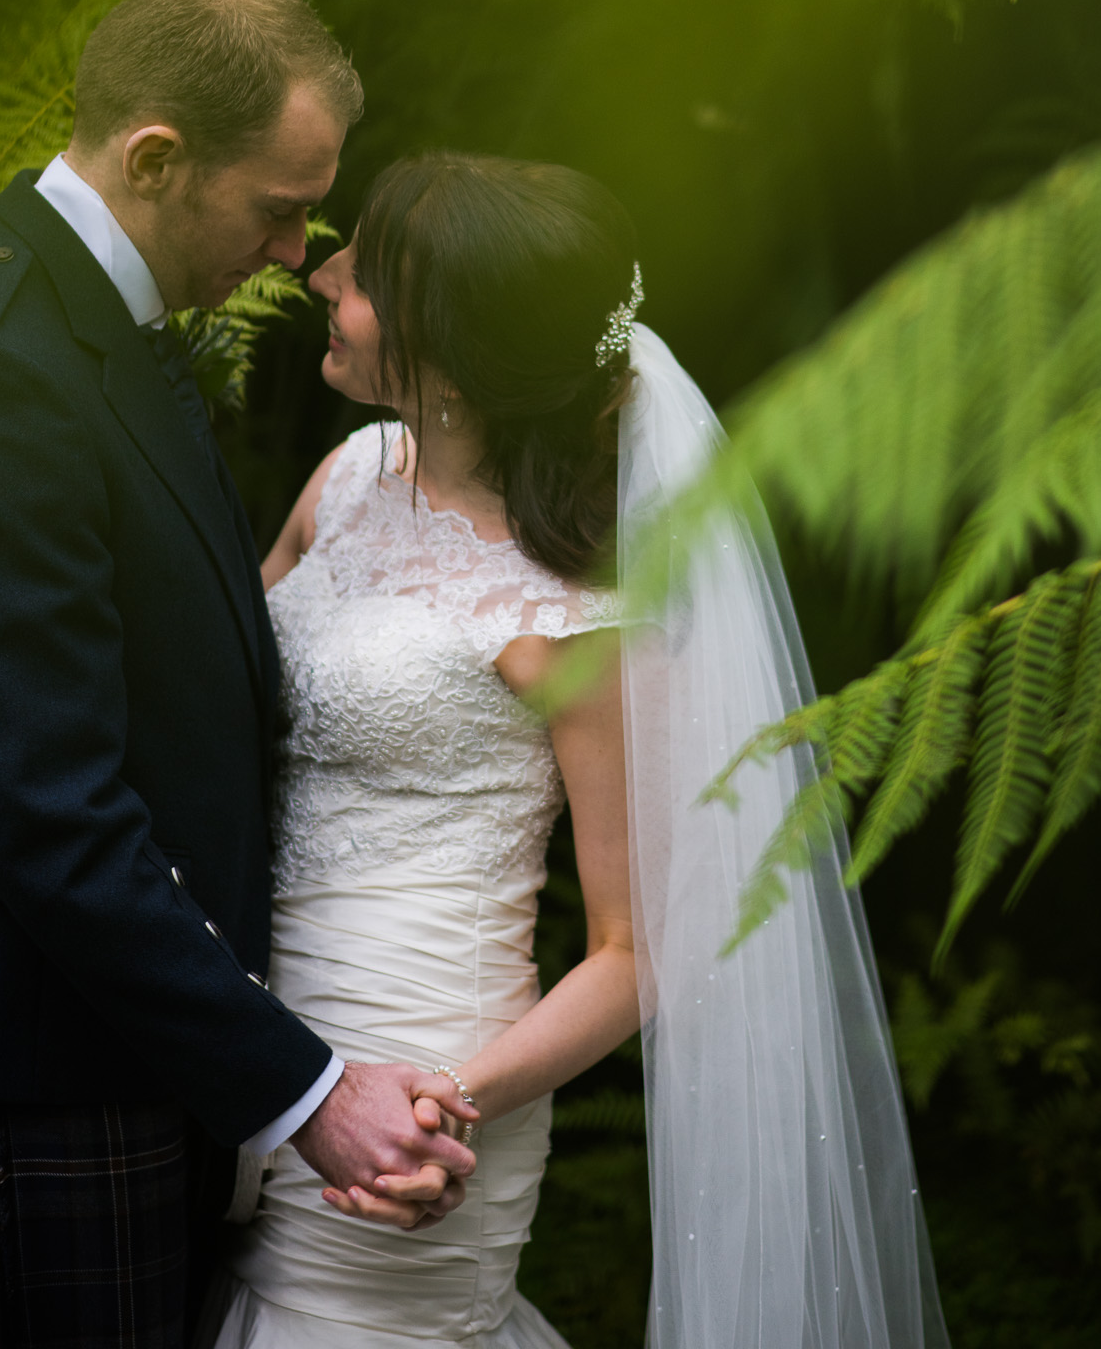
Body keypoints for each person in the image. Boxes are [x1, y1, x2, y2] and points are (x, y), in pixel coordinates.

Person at [0, 0, 477, 1349]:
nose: (298, 256)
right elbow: (50, 818)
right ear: (159, 156)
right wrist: (303, 1090)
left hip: (114, 1051)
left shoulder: (97, 322)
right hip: (15, 1081)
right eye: (281, 211)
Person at [201, 152, 949, 1349]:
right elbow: (205, 704)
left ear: (451, 350)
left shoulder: (580, 617)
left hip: (427, 1071)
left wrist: (450, 1101)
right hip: (250, 1035)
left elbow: (635, 946)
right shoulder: (344, 480)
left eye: (363, 274)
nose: (321, 272)